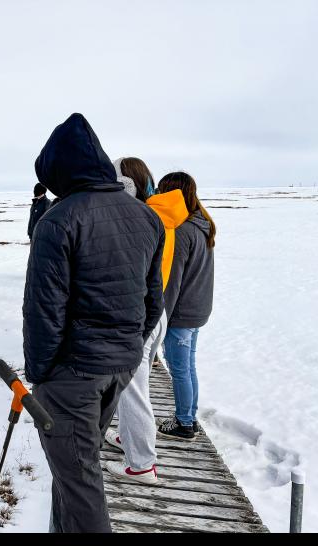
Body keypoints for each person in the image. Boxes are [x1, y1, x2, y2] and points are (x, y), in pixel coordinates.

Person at [23, 114, 165, 533]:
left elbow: (43, 311)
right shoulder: (145, 216)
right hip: (119, 367)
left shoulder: (58, 220)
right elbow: (153, 301)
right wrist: (128, 347)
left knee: (81, 482)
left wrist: (42, 374)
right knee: (73, 474)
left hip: (73, 375)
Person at [102, 157, 189, 484]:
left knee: (131, 391)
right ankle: (131, 439)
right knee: (135, 387)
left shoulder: (139, 216)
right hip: (157, 309)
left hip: (138, 314)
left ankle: (141, 466)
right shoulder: (160, 212)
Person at [154, 172, 215, 440]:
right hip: (198, 309)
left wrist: (160, 318)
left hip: (182, 313)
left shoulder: (182, 230)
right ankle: (189, 415)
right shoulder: (202, 224)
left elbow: (172, 282)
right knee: (188, 367)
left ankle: (184, 424)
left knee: (179, 369)